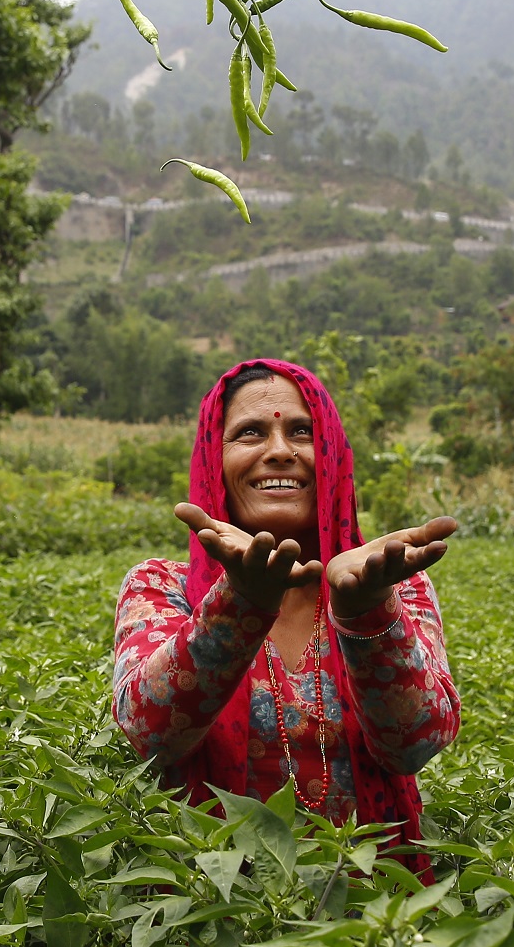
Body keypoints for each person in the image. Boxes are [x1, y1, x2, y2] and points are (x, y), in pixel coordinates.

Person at [111, 358, 460, 858]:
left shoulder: (396, 587)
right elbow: (152, 736)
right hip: (214, 906)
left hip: (369, 906)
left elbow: (414, 746)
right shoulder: (163, 587)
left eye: (302, 431)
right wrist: (240, 602)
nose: (279, 452)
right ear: (214, 457)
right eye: (250, 433)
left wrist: (367, 614)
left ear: (334, 455)